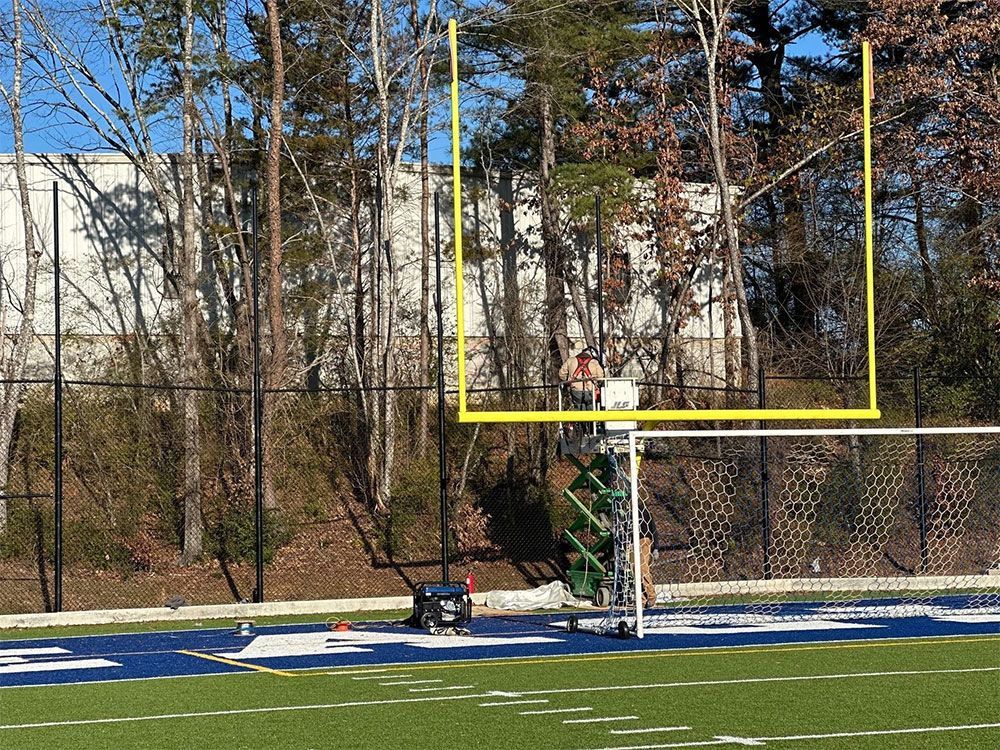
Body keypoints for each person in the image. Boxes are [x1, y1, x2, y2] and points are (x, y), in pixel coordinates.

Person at [637, 499, 658, 609]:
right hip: (631, 543)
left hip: (643, 541)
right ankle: (642, 599)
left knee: (642, 569)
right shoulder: (627, 514)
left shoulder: (644, 512)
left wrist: (656, 548)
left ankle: (651, 596)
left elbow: (653, 530)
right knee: (634, 571)